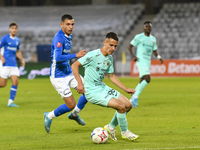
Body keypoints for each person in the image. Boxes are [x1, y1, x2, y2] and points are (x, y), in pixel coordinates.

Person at [71, 32, 139, 141]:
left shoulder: (109, 58)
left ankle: (110, 127)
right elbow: (74, 65)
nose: (113, 48)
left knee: (128, 105)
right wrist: (79, 83)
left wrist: (126, 89)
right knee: (121, 106)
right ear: (105, 43)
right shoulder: (93, 55)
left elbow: (111, 76)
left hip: (102, 87)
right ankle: (125, 132)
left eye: (115, 46)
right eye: (111, 45)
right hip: (92, 91)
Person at [43, 14, 88, 133]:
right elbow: (57, 58)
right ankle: (49, 116)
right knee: (71, 104)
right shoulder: (59, 38)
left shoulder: (69, 36)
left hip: (68, 72)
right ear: (61, 24)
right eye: (68, 24)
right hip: (58, 76)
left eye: (72, 24)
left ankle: (75, 114)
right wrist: (75, 55)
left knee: (88, 89)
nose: (71, 26)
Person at [128, 21, 164, 107]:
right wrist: (133, 56)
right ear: (144, 28)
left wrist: (159, 57)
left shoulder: (153, 39)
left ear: (151, 28)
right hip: (141, 60)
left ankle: (132, 99)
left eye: (149, 27)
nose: (148, 28)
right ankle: (135, 97)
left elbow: (154, 51)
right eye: (146, 27)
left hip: (148, 61)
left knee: (142, 80)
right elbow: (130, 46)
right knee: (147, 79)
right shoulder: (139, 37)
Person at [0, 22, 25, 107]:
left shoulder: (17, 40)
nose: (14, 30)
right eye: (12, 28)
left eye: (15, 28)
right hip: (5, 64)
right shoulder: (5, 38)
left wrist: (22, 60)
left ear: (17, 30)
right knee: (3, 84)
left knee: (15, 82)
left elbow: (18, 51)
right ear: (9, 29)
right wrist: (1, 57)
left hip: (13, 65)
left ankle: (10, 102)